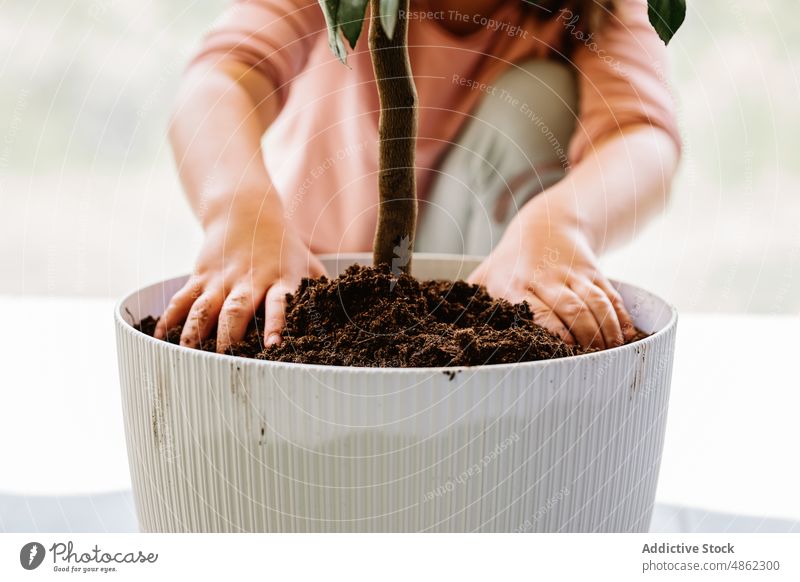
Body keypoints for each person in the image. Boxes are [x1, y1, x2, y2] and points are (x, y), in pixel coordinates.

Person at [155, 0, 680, 354]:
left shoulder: (590, 9)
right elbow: (221, 77)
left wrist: (561, 224)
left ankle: (507, 332)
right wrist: (242, 214)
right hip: (310, 273)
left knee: (541, 97)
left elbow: (640, 135)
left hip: (482, 277)